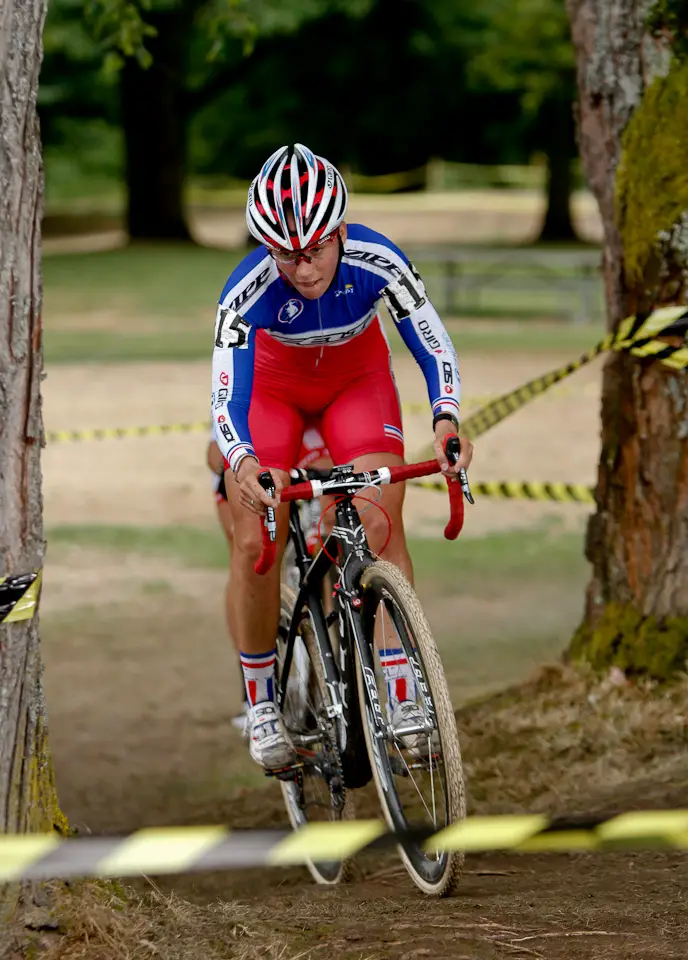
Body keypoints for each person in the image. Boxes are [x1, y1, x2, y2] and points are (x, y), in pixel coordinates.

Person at [211, 143, 473, 771]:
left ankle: (402, 689)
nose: (302, 268)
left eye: (316, 249)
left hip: (356, 383)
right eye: (285, 254)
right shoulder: (245, 290)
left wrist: (446, 418)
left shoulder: (377, 259)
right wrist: (243, 462)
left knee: (380, 518)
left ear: (340, 231)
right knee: (255, 541)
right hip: (271, 394)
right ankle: (263, 698)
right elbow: (227, 396)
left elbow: (432, 344)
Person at [206, 426, 332, 732]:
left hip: (316, 450)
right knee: (245, 557)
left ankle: (325, 683)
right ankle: (250, 689)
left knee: (330, 546)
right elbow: (213, 453)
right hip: (257, 451)